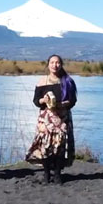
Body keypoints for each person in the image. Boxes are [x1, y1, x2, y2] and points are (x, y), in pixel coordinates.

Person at [26, 54, 77, 184]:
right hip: (46, 119)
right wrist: (43, 100)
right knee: (45, 146)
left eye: (58, 62)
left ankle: (58, 174)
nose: (55, 65)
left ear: (61, 64)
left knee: (60, 146)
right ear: (48, 65)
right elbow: (36, 101)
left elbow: (73, 100)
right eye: (52, 62)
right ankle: (47, 173)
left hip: (62, 118)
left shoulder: (67, 81)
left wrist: (64, 104)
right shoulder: (42, 82)